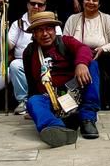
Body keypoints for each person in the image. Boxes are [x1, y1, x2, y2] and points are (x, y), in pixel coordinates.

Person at [22, 11, 101, 147]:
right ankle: (56, 128)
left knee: (92, 64)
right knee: (33, 101)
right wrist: (34, 109)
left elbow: (84, 49)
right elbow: (32, 84)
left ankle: (87, 118)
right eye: (40, 30)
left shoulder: (65, 41)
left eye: (48, 29)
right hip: (50, 98)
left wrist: (81, 64)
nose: (45, 34)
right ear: (34, 34)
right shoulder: (29, 53)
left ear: (54, 30)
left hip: (74, 92)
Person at [63, 0, 110, 110]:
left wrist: (103, 49)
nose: (91, 2)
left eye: (95, 0)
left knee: (106, 62)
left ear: (99, 4)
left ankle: (105, 100)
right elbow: (65, 40)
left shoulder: (106, 19)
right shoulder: (73, 19)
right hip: (77, 56)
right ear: (82, 1)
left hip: (100, 55)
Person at [6, 0, 58, 115]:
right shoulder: (18, 23)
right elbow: (8, 45)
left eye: (40, 4)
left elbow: (58, 43)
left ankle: (50, 99)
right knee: (14, 65)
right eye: (33, 3)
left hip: (46, 61)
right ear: (27, 5)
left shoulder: (52, 22)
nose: (36, 7)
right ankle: (24, 101)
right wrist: (2, 34)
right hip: (24, 62)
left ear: (45, 6)